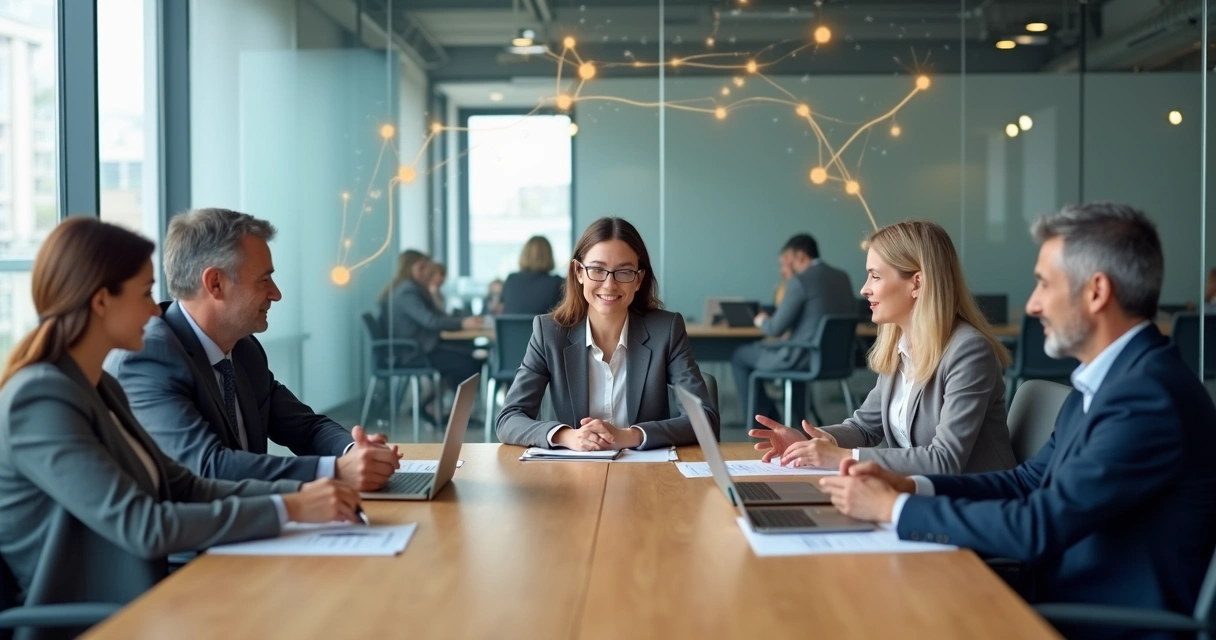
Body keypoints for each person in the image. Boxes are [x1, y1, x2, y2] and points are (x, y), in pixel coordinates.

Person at [816, 203, 1216, 639]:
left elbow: (1037, 526)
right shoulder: (1109, 381)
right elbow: (1026, 481)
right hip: (1050, 594)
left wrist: (894, 508)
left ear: (1097, 292)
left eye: (1044, 284)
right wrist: (910, 486)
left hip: (1090, 619)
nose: (1033, 304)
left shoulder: (1146, 399)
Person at [0, 219, 361, 637]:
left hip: (150, 600)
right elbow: (144, 526)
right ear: (101, 302)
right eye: (144, 294)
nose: (156, 310)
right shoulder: (40, 398)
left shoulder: (101, 386)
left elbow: (186, 487)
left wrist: (304, 495)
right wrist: (290, 508)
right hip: (102, 620)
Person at [106, 208, 400, 490]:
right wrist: (335, 471)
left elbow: (305, 427)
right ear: (215, 283)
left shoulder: (243, 348)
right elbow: (206, 467)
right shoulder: (150, 356)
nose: (276, 293)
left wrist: (353, 450)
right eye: (264, 280)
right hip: (199, 536)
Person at [749, 221, 1016, 475]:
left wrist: (842, 458)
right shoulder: (901, 346)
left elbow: (944, 459)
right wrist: (813, 440)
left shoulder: (968, 351)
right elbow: (865, 427)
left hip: (976, 503)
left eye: (875, 276)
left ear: (917, 283)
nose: (865, 289)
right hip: (920, 493)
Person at [496, 217, 718, 450]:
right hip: (573, 474)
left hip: (648, 474)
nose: (609, 285)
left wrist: (630, 436)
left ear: (639, 279)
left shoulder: (666, 329)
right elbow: (508, 418)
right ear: (578, 272)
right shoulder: (549, 332)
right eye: (597, 270)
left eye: (624, 272)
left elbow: (705, 419)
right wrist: (567, 436)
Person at [731, 234, 855, 428]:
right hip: (837, 359)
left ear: (800, 256)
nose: (788, 264)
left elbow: (776, 328)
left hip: (802, 357)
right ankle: (791, 420)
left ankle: (762, 422)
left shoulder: (800, 281)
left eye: (789, 258)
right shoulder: (843, 277)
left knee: (740, 355)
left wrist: (761, 319)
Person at [380, 250, 483, 416]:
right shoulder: (407, 292)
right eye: (421, 267)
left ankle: (436, 408)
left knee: (468, 355)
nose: (426, 272)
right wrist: (463, 323)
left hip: (418, 348)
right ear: (409, 268)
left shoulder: (411, 289)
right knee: (468, 362)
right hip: (414, 353)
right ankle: (450, 414)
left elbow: (437, 318)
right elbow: (431, 321)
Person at [501, 235, 565, 315]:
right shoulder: (557, 283)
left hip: (511, 328)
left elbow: (502, 309)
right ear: (549, 255)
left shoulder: (511, 280)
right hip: (543, 327)